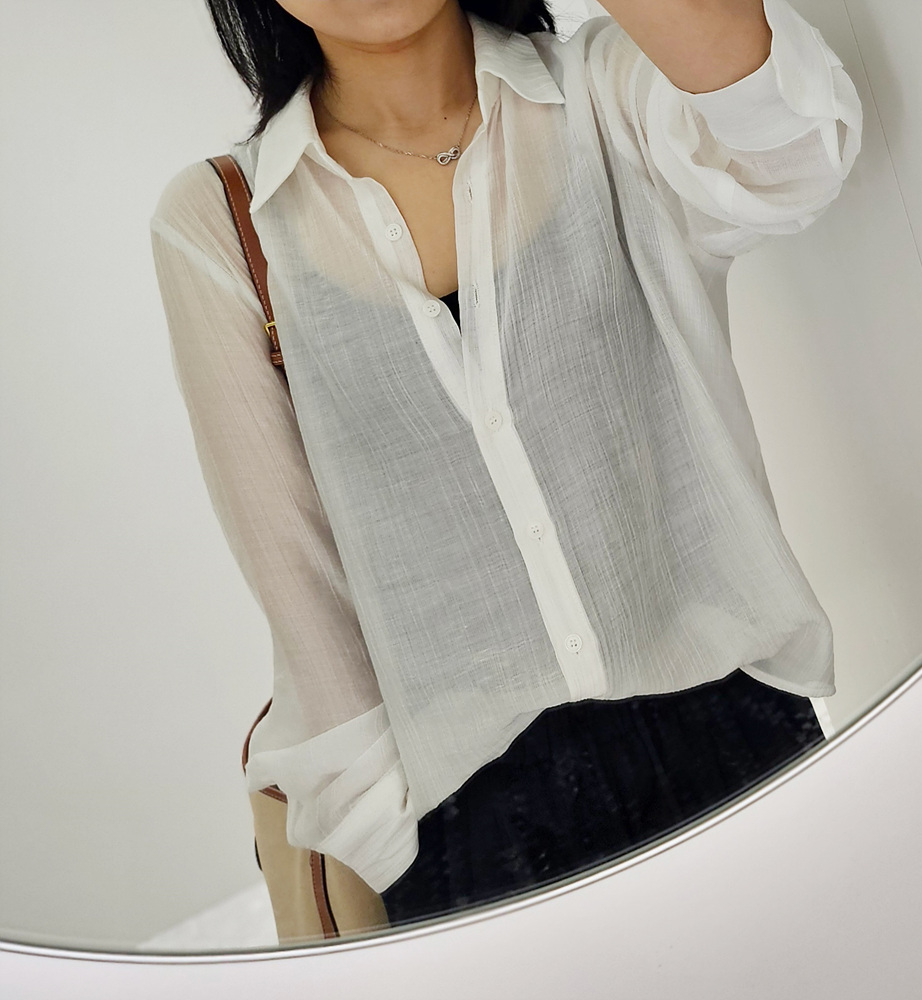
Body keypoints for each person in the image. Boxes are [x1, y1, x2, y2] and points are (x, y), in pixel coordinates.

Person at [149, 0, 862, 938]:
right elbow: (299, 586)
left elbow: (795, 150)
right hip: (466, 831)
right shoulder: (224, 221)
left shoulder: (602, 94)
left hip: (733, 734)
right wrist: (404, 859)